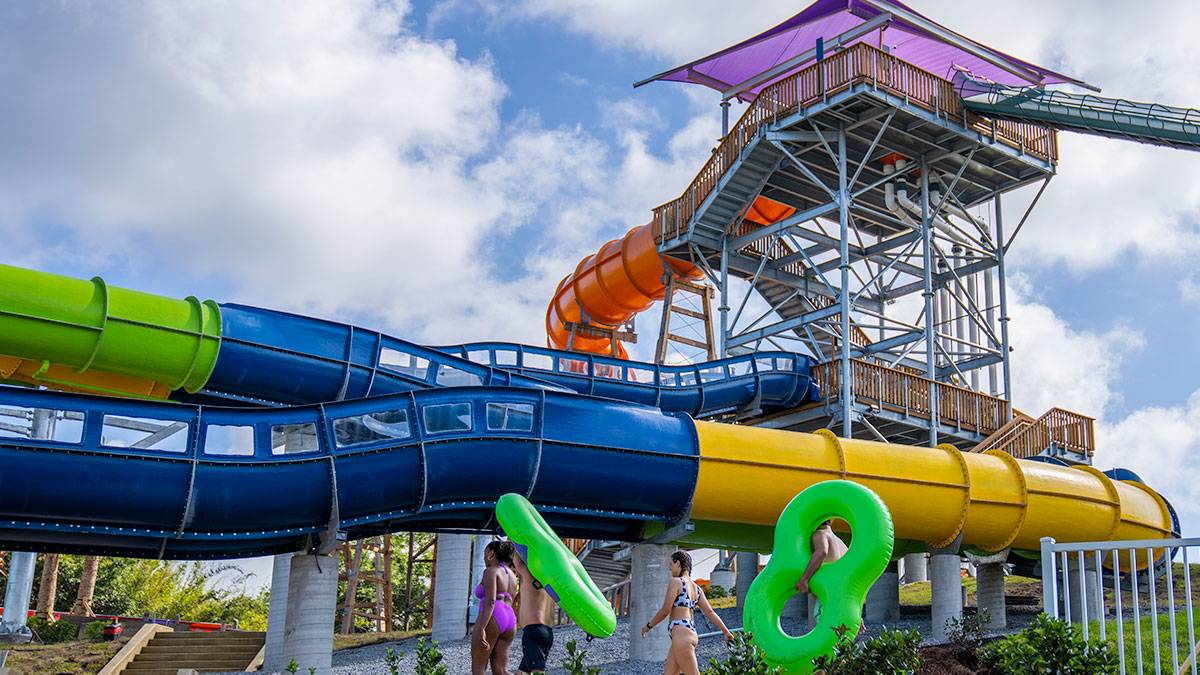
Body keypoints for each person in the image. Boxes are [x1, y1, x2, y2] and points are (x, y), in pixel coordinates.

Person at [640, 550, 734, 675]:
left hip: (681, 635)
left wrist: (648, 626)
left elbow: (665, 610)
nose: (671, 569)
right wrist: (725, 631)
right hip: (688, 632)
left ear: (678, 563)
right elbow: (710, 612)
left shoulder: (676, 582)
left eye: (671, 565)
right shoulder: (697, 589)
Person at [472, 540, 518, 675]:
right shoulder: (512, 575)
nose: (484, 557)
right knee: (502, 671)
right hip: (510, 619)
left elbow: (491, 601)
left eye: (485, 553)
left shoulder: (490, 571)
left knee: (479, 669)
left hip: (493, 616)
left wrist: (481, 628)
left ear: (491, 553)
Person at [512, 549, 554, 674]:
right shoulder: (551, 581)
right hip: (547, 632)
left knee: (538, 672)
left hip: (533, 631)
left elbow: (517, 557)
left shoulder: (528, 572)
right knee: (522, 672)